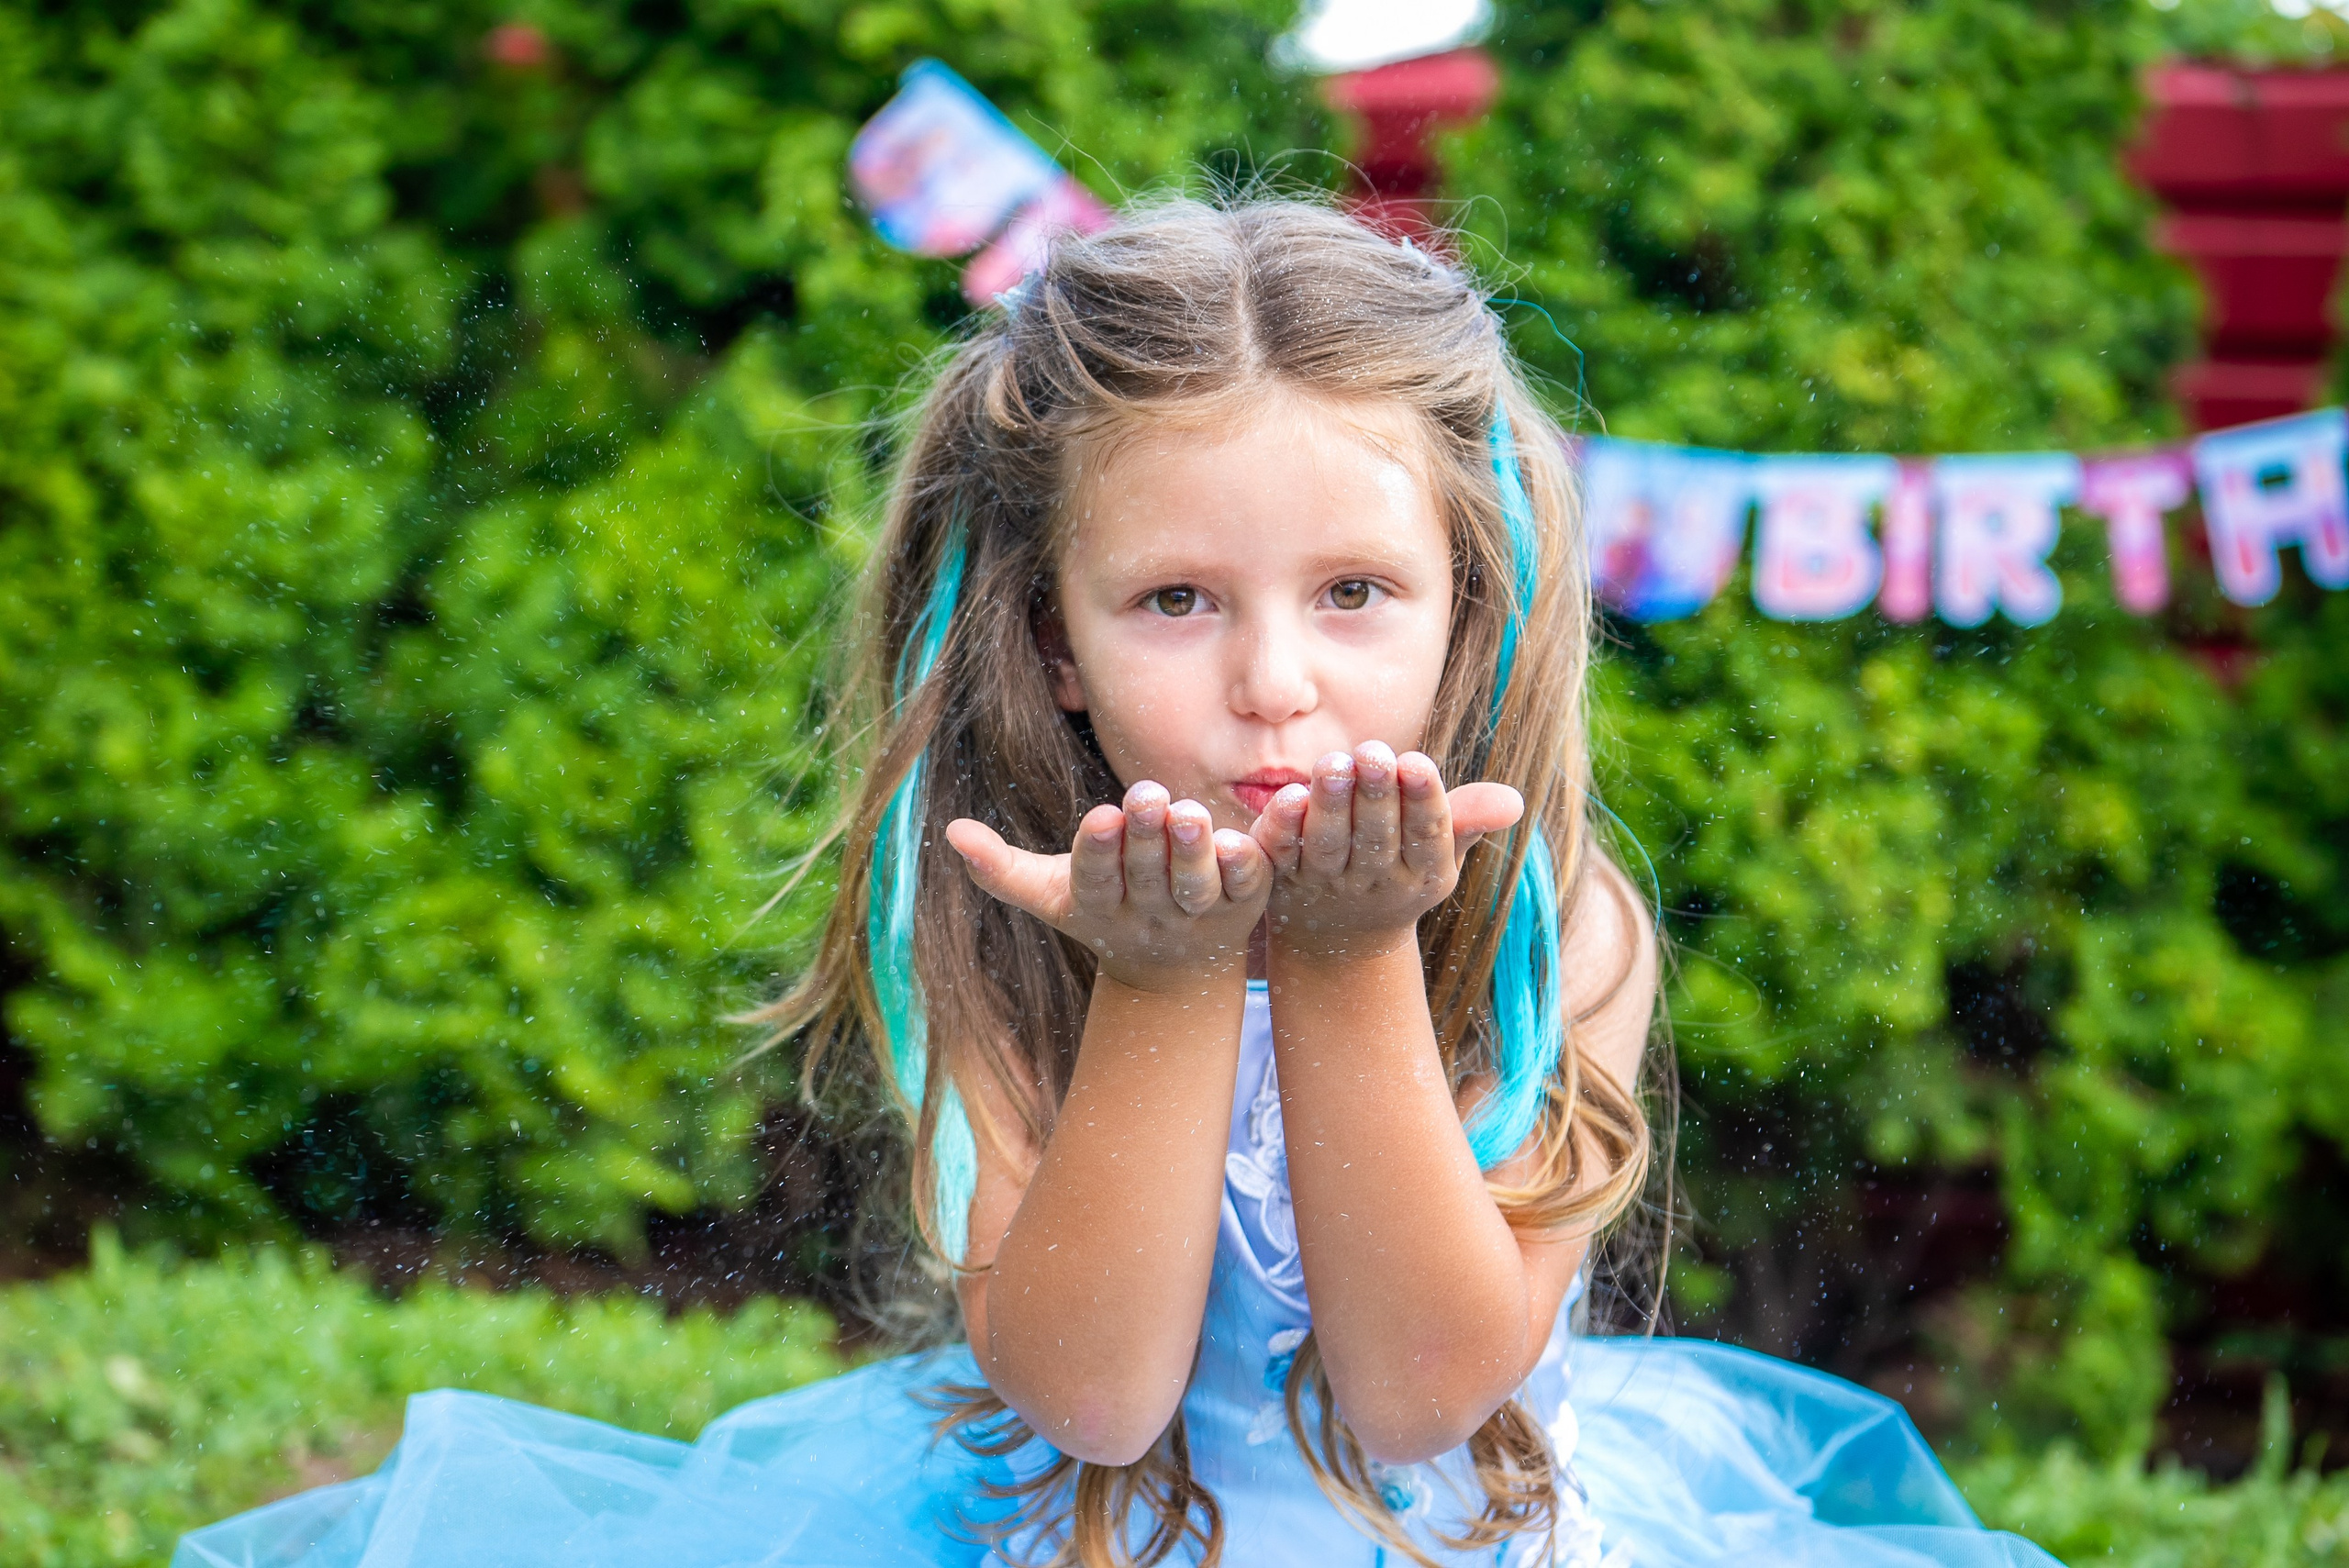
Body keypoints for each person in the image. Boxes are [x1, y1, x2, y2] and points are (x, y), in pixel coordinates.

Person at [175, 198, 2057, 1568]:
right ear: (1052, 643)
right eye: (1173, 599)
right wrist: (1163, 983)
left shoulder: (1563, 932)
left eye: (1351, 593)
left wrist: (1342, 959)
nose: (1270, 680)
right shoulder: (1000, 918)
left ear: (1467, 613)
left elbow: (1416, 1403)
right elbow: (1093, 1403)